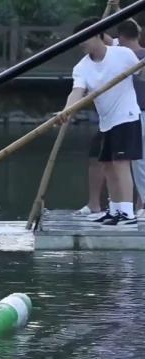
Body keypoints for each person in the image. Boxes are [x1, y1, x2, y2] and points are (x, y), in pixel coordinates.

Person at [63, 17, 142, 226]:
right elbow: (76, 92)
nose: (81, 43)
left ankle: (127, 213)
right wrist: (67, 111)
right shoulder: (81, 67)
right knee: (107, 165)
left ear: (99, 35)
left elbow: (141, 74)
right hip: (106, 121)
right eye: (78, 40)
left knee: (120, 164)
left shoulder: (122, 54)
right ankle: (115, 210)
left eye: (84, 38)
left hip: (126, 116)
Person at [115, 19, 145, 214]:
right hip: (134, 112)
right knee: (139, 160)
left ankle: (143, 202)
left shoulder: (124, 57)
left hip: (137, 113)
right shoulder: (124, 55)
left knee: (139, 160)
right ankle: (141, 203)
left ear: (121, 37)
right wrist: (118, 11)